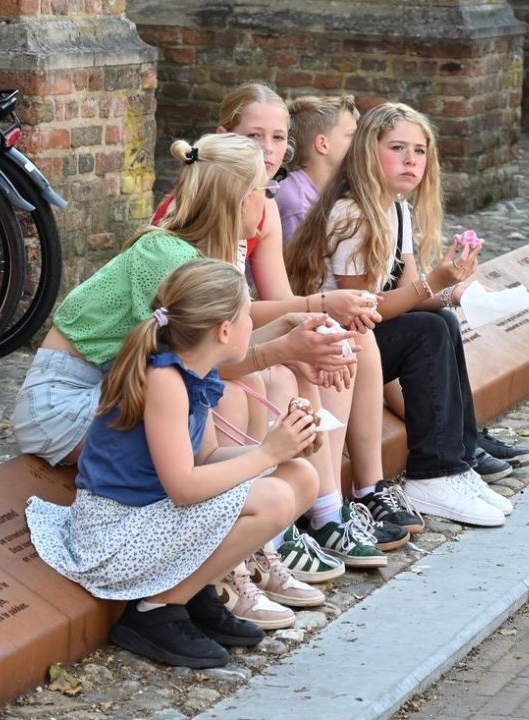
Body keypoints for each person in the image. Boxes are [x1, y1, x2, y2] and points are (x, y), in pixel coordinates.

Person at [13, 133, 354, 629]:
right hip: (63, 401)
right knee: (228, 398)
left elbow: (217, 352)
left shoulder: (208, 254)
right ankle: (206, 580)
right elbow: (202, 363)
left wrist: (289, 335)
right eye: (264, 189)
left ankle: (224, 566)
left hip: (111, 390)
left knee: (245, 404)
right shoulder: (167, 257)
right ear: (240, 199)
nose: (270, 201)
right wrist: (282, 362)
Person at [150, 85, 403, 626]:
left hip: (217, 337)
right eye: (253, 137)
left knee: (329, 340)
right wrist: (310, 313)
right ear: (222, 138)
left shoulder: (258, 205)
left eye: (277, 138)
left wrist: (309, 318)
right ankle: (274, 532)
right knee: (272, 377)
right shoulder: (199, 212)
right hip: (182, 350)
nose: (267, 151)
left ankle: (331, 507)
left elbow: (268, 300)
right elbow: (190, 332)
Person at [26, 259, 320, 669]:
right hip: (114, 535)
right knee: (272, 497)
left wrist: (285, 449)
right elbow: (184, 487)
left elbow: (208, 458)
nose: (252, 324)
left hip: (154, 521)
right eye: (248, 316)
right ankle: (156, 611)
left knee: (300, 476)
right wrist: (266, 454)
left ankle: (192, 591)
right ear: (223, 330)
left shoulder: (197, 373)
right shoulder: (164, 379)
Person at [286, 102, 515, 527]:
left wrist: (456, 290)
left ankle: (457, 463)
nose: (411, 160)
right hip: (333, 338)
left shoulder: (395, 208)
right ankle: (433, 475)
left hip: (365, 334)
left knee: (441, 321)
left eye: (419, 151)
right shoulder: (352, 213)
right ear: (368, 152)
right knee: (426, 332)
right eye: (398, 148)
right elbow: (361, 308)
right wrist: (434, 282)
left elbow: (409, 291)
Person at [276, 94, 359, 245]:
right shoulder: (297, 203)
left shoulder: (336, 191)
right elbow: (300, 261)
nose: (359, 143)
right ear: (322, 144)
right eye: (351, 135)